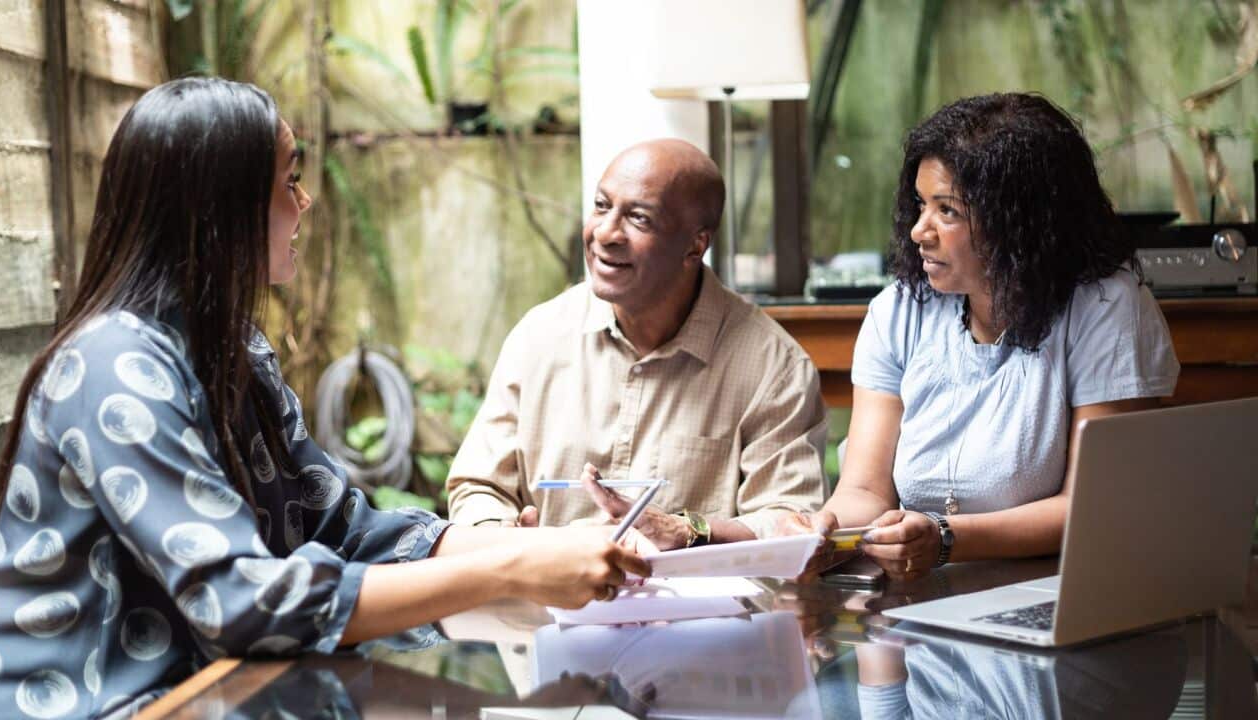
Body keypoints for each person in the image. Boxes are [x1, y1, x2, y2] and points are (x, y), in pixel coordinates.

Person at [0, 78, 649, 719]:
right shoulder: (114, 366)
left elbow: (340, 530)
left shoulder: (234, 351)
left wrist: (511, 547)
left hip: (221, 692)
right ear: (222, 209)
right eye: (289, 181)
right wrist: (510, 567)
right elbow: (238, 602)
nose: (305, 202)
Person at [786, 92, 1179, 580]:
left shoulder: (1105, 306)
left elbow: (1092, 507)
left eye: (946, 211)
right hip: (919, 598)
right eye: (919, 204)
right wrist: (825, 532)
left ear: (1022, 222)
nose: (918, 231)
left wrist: (946, 538)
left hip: (1057, 595)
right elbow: (865, 491)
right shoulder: (898, 311)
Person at [446, 139, 828, 549]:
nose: (606, 233)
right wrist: (499, 534)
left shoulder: (773, 367)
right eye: (600, 206)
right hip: (548, 603)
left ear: (696, 245)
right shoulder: (539, 336)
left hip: (699, 609)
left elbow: (789, 523)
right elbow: (478, 485)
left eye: (639, 219)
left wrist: (689, 530)